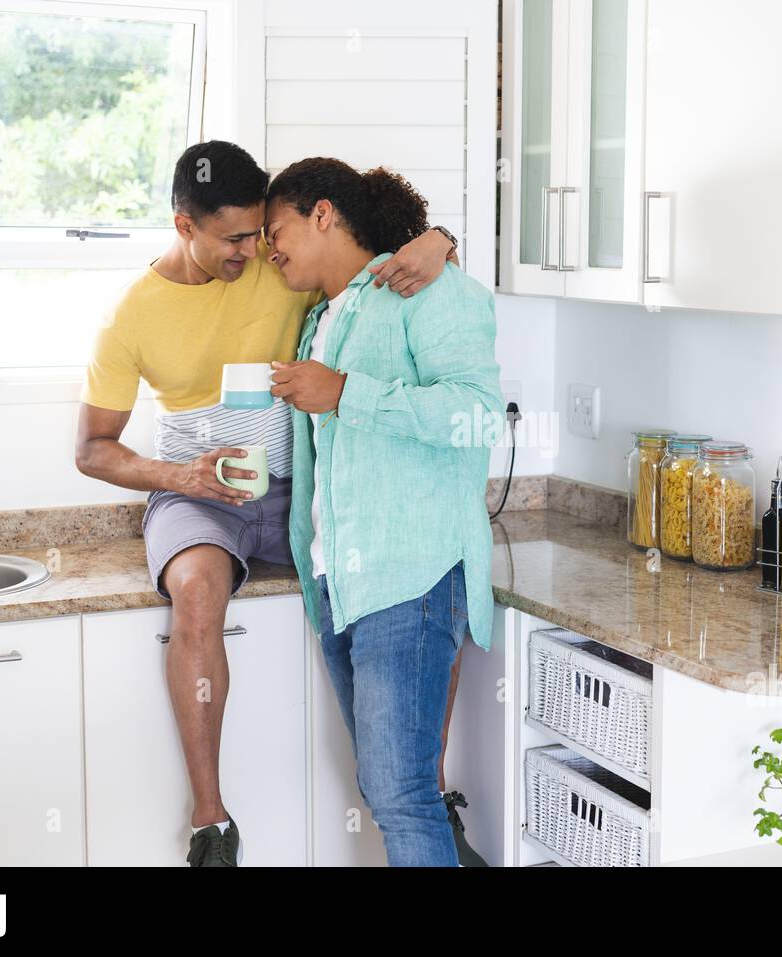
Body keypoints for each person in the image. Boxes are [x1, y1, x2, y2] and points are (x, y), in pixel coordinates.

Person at [74, 140, 456, 866]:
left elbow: (377, 254)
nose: (252, 251)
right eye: (233, 237)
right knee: (195, 591)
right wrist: (180, 477)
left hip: (299, 489)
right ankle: (211, 820)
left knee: (420, 577)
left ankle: (426, 795)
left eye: (259, 232)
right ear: (183, 225)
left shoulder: (285, 266)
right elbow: (92, 448)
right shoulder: (131, 316)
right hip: (199, 497)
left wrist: (440, 242)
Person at [264, 157, 503, 866]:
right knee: (390, 787)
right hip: (343, 583)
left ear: (324, 213)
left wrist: (348, 393)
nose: (269, 248)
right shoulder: (320, 321)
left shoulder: (429, 292)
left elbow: (479, 416)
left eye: (276, 229)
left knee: (400, 794)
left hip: (414, 574)